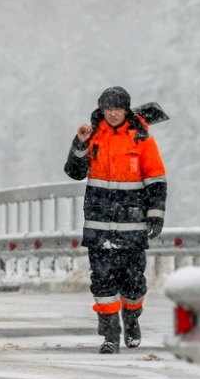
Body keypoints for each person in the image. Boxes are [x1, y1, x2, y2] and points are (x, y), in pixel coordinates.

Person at [64, 86, 167, 354]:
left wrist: (155, 216)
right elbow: (75, 172)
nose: (112, 113)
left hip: (132, 227)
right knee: (103, 281)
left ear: (126, 111)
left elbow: (156, 180)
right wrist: (79, 144)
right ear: (101, 110)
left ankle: (132, 318)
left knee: (134, 283)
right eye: (108, 108)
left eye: (117, 109)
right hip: (99, 227)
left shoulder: (142, 139)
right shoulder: (93, 137)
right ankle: (110, 333)